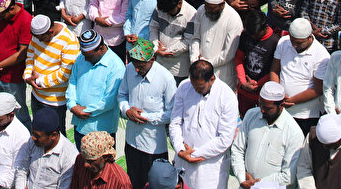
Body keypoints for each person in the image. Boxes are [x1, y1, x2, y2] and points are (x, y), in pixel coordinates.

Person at [169, 59, 239, 189]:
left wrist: (194, 154)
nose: (195, 90)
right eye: (193, 85)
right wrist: (180, 149)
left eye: (200, 87)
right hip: (182, 162)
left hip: (210, 169)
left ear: (212, 79)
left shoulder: (227, 97)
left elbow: (225, 139)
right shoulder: (184, 87)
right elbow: (175, 122)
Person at [118, 39, 176, 187]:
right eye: (135, 65)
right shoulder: (130, 68)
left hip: (153, 147)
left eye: (141, 66)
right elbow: (122, 95)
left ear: (152, 59)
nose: (137, 70)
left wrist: (146, 117)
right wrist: (127, 111)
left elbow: (171, 113)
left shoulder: (166, 78)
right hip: (131, 142)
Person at [229, 80, 304, 188]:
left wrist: (256, 184)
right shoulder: (251, 115)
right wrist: (242, 177)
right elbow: (237, 149)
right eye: (261, 105)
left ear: (281, 105)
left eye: (268, 108)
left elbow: (288, 176)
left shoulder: (293, 133)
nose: (262, 111)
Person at [269, 17, 329, 133]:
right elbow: (274, 71)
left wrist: (292, 100)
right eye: (292, 41)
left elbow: (317, 90)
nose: (294, 45)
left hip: (305, 116)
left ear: (310, 37)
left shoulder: (322, 56)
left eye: (299, 43)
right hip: (281, 110)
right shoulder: (283, 42)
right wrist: (277, 94)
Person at [190, 0, 244, 85]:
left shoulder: (233, 19)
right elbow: (195, 37)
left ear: (222, 4)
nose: (208, 10)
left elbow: (228, 54)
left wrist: (206, 63)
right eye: (206, 6)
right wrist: (194, 58)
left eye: (211, 8)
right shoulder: (201, 10)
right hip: (199, 67)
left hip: (222, 73)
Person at [12, 106, 77, 189]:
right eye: (33, 133)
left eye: (37, 136)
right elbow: (21, 169)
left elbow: (64, 187)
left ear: (53, 135)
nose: (33, 138)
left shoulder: (69, 157)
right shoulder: (33, 141)